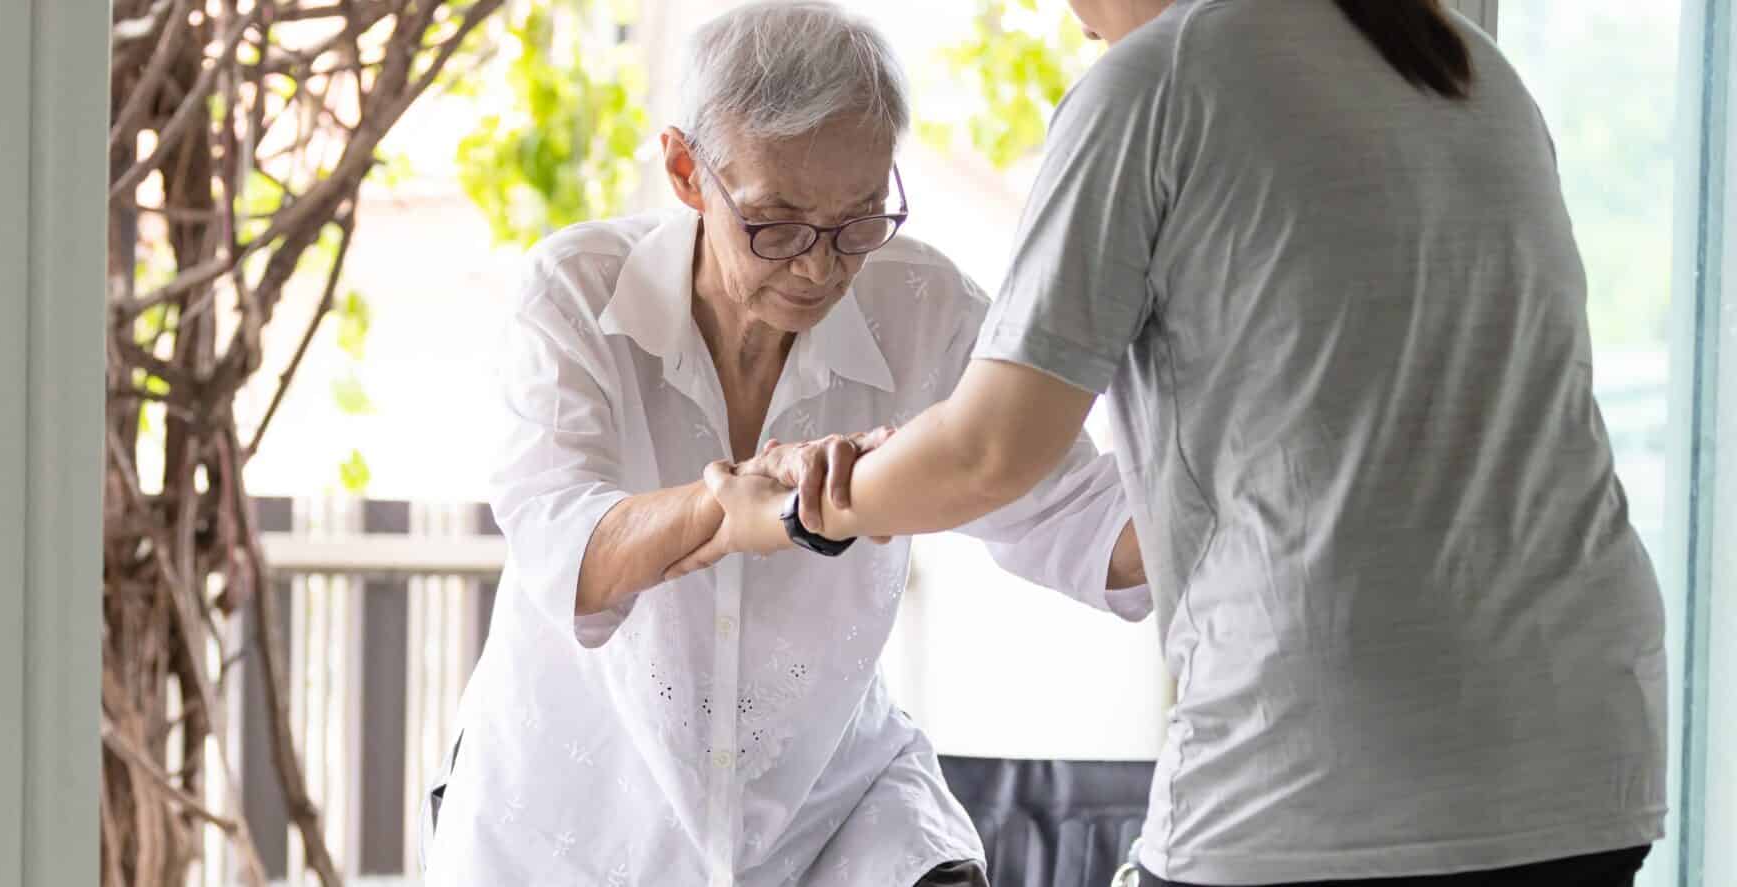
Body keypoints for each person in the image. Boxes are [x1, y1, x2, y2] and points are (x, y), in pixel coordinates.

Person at [710, 2, 1669, 886]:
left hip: (1327, 770)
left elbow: (991, 449)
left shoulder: (1154, 85)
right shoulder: (1469, 65)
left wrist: (809, 497)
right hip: (1589, 750)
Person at [422, 3, 1150, 885]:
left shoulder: (923, 304)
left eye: (858, 221)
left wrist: (1258, 488)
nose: (819, 266)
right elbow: (566, 549)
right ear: (688, 171)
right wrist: (728, 511)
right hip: (573, 828)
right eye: (778, 225)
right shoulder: (576, 293)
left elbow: (1073, 511)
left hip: (837, 818)